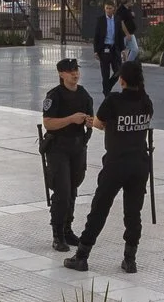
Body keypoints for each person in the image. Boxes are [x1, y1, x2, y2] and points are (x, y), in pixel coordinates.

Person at [65, 61, 153, 274]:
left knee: (100, 209)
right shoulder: (146, 101)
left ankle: (82, 256)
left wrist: (93, 121)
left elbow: (99, 123)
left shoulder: (113, 100)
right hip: (140, 164)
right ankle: (130, 259)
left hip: (116, 164)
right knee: (133, 213)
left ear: (122, 80)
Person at [40, 56, 96, 251]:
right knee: (62, 191)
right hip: (58, 148)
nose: (75, 74)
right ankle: (57, 233)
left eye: (76, 70)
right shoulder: (54, 95)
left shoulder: (83, 95)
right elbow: (48, 122)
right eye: (70, 70)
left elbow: (92, 119)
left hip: (77, 147)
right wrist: (71, 119)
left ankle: (67, 228)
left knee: (72, 189)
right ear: (61, 74)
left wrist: (89, 123)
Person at [93, 0, 128, 96]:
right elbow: (97, 36)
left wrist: (123, 50)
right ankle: (106, 94)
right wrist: (96, 51)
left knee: (118, 71)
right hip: (104, 49)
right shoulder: (100, 20)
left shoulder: (117, 19)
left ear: (114, 9)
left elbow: (120, 35)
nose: (108, 10)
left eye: (110, 8)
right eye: (107, 8)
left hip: (115, 48)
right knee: (105, 73)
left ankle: (107, 87)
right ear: (104, 9)